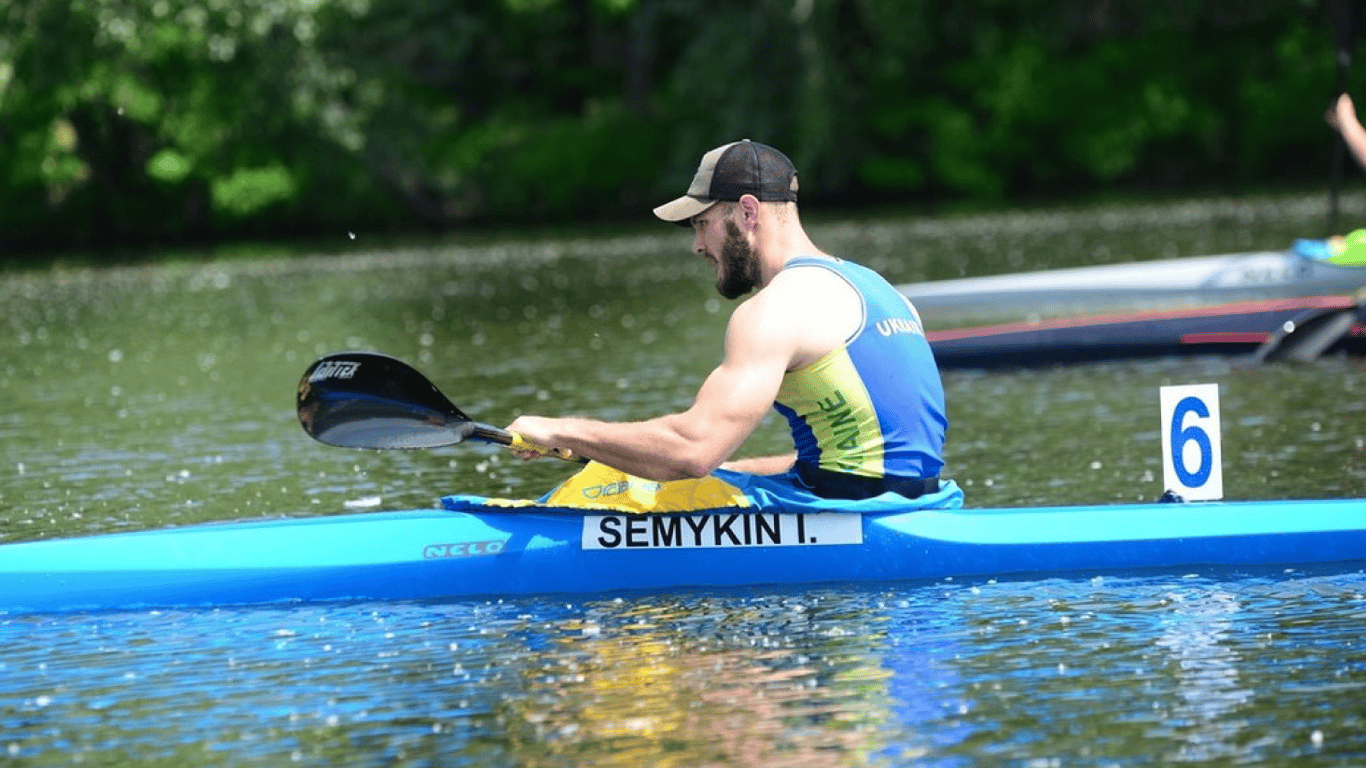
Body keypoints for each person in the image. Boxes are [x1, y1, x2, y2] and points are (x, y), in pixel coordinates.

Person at [506, 139, 949, 501]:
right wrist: (730, 471)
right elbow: (882, 460)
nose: (698, 245)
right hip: (918, 503)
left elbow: (694, 451)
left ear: (748, 213)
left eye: (702, 224)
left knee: (613, 494)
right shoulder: (883, 291)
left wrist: (559, 430)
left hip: (853, 515)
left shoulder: (775, 309)